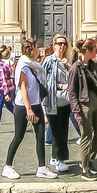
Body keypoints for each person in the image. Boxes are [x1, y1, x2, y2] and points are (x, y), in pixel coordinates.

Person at [2, 39, 54, 181]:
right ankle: (7, 167)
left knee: (40, 137)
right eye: (37, 47)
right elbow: (23, 88)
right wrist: (28, 109)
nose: (39, 49)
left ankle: (42, 168)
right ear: (31, 50)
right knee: (19, 137)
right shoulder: (24, 66)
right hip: (23, 107)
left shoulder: (35, 65)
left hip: (36, 105)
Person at [68, 37, 97, 179]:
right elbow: (72, 92)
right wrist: (76, 111)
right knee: (86, 136)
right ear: (88, 51)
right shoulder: (75, 68)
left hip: (96, 103)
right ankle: (85, 169)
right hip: (84, 105)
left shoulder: (93, 65)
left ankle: (89, 159)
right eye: (94, 49)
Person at [41, 35, 75, 172]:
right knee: (56, 131)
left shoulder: (68, 61)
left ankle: (57, 157)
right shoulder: (49, 61)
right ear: (54, 45)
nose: (62, 46)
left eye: (64, 44)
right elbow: (43, 80)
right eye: (60, 43)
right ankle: (58, 158)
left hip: (65, 101)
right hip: (52, 99)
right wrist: (60, 85)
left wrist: (69, 66)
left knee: (64, 130)